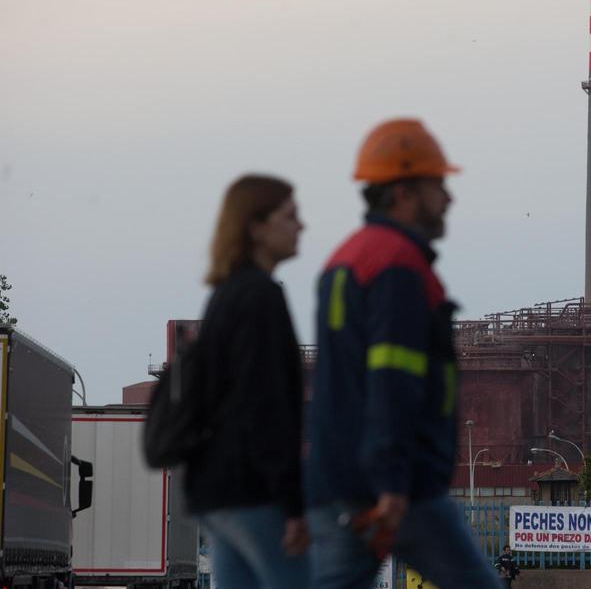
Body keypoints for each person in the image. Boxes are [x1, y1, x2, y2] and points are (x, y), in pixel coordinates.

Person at [306, 118, 501, 589]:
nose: (448, 199)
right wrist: (393, 483)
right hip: (399, 486)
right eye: (437, 187)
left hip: (339, 476)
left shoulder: (345, 259)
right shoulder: (398, 267)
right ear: (402, 193)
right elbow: (392, 383)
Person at [183, 175, 309, 589]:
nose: (301, 226)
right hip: (256, 494)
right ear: (256, 227)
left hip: (216, 494)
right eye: (290, 216)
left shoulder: (224, 296)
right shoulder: (261, 298)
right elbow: (267, 409)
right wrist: (293, 505)